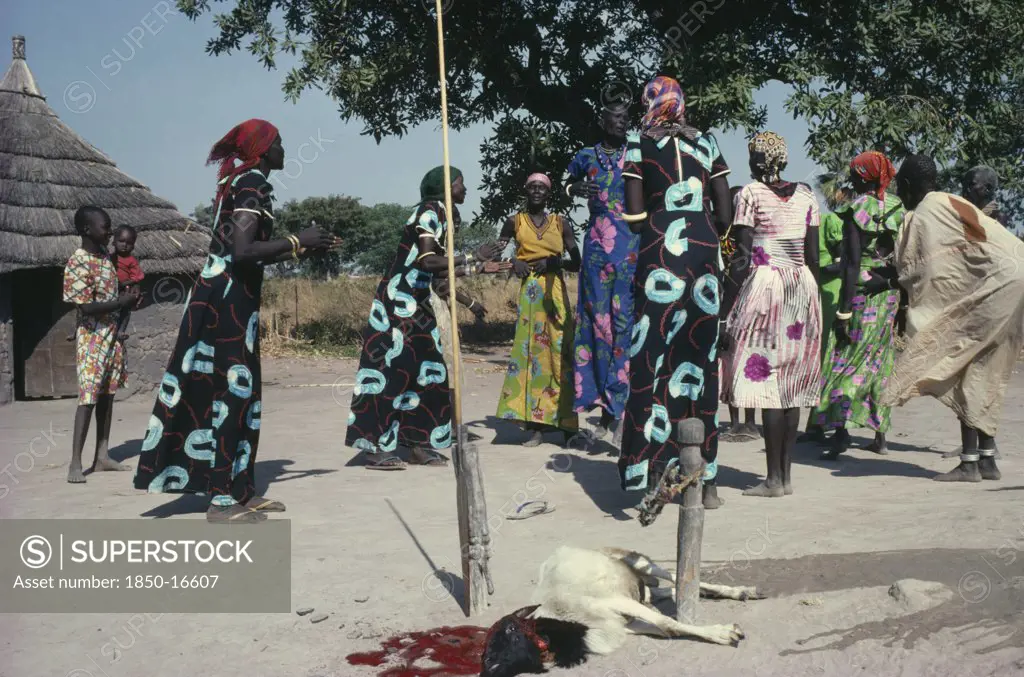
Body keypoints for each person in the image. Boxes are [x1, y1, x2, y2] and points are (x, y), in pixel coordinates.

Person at [133, 119, 340, 523]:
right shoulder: (251, 184)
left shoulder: (244, 183)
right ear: (263, 150)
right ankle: (221, 500)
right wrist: (298, 240)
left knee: (244, 397)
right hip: (225, 305)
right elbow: (243, 251)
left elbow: (248, 250)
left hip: (231, 303)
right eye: (279, 143)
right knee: (230, 397)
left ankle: (241, 489)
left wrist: (300, 249)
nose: (284, 149)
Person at [620, 76, 732, 509]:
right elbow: (725, 211)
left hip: (659, 258)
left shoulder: (638, 143)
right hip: (704, 259)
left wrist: (662, 220)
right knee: (700, 365)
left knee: (653, 363)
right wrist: (703, 232)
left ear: (649, 103)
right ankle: (708, 482)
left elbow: (632, 215)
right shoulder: (707, 143)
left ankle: (650, 475)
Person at [345, 166, 504, 469]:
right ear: (445, 187)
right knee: (390, 372)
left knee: (429, 373)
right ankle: (377, 447)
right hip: (398, 304)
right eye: (460, 183)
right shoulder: (430, 210)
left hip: (418, 305)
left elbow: (440, 271)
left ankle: (419, 442)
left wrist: (479, 267)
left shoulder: (442, 213)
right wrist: (473, 256)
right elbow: (427, 260)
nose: (465, 188)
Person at [880, 154, 1024, 482]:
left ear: (906, 185)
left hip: (998, 286)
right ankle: (987, 460)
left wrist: (888, 281)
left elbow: (923, 269)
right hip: (1015, 278)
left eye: (900, 187)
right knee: (983, 366)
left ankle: (970, 464)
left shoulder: (926, 211)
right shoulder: (950, 201)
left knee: (959, 362)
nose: (900, 195)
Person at [720, 131, 821, 498]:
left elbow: (743, 256)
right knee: (791, 384)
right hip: (802, 286)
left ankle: (772, 480)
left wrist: (726, 306)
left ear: (759, 161)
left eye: (752, 157)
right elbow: (813, 255)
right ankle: (785, 477)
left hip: (765, 287)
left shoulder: (750, 194)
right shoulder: (808, 195)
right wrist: (818, 302)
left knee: (768, 385)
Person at [813, 152, 904, 460]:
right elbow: (901, 257)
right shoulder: (897, 208)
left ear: (863, 177)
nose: (850, 178)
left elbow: (851, 264)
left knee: (842, 360)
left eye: (854, 174)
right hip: (888, 295)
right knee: (881, 362)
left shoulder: (857, 209)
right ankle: (881, 436)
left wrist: (844, 310)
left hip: (861, 293)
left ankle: (840, 434)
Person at [565, 102, 639, 442]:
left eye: (626, 118)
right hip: (596, 248)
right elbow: (567, 184)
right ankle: (599, 403)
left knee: (624, 322)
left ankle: (618, 407)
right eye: (617, 117)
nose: (623, 122)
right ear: (603, 121)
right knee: (597, 324)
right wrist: (575, 189)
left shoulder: (637, 154)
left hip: (629, 246)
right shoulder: (585, 155)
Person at [496, 173, 582, 446]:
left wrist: (556, 262)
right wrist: (512, 262)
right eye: (532, 187)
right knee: (532, 356)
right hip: (530, 293)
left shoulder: (561, 222)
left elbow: (577, 262)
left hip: (554, 292)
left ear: (548, 194)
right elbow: (496, 254)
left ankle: (568, 427)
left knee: (561, 353)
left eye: (541, 188)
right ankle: (536, 428)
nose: (536, 191)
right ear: (525, 191)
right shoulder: (514, 222)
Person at [63, 206, 140, 483]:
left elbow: (112, 293)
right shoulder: (78, 262)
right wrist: (121, 302)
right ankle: (75, 463)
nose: (109, 232)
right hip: (92, 339)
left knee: (107, 395)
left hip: (112, 337)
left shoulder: (106, 259)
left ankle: (102, 455)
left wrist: (129, 296)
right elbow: (85, 308)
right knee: (88, 399)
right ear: (87, 230)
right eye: (105, 227)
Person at [799, 186, 851, 443]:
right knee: (816, 361)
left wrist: (815, 269)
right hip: (816, 297)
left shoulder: (830, 221)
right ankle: (815, 424)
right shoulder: (802, 225)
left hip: (829, 297)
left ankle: (821, 424)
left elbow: (844, 263)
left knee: (825, 359)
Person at [719, 185, 759, 443]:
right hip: (748, 301)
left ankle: (742, 423)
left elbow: (734, 271)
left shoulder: (731, 237)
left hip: (736, 302)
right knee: (739, 361)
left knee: (733, 361)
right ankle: (745, 423)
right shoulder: (738, 236)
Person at [112, 224, 144, 342]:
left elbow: (137, 277)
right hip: (111, 289)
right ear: (113, 242)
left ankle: (121, 331)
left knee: (125, 312)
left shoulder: (132, 261)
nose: (124, 245)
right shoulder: (109, 258)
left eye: (129, 243)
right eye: (121, 241)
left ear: (133, 246)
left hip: (124, 290)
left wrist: (124, 283)